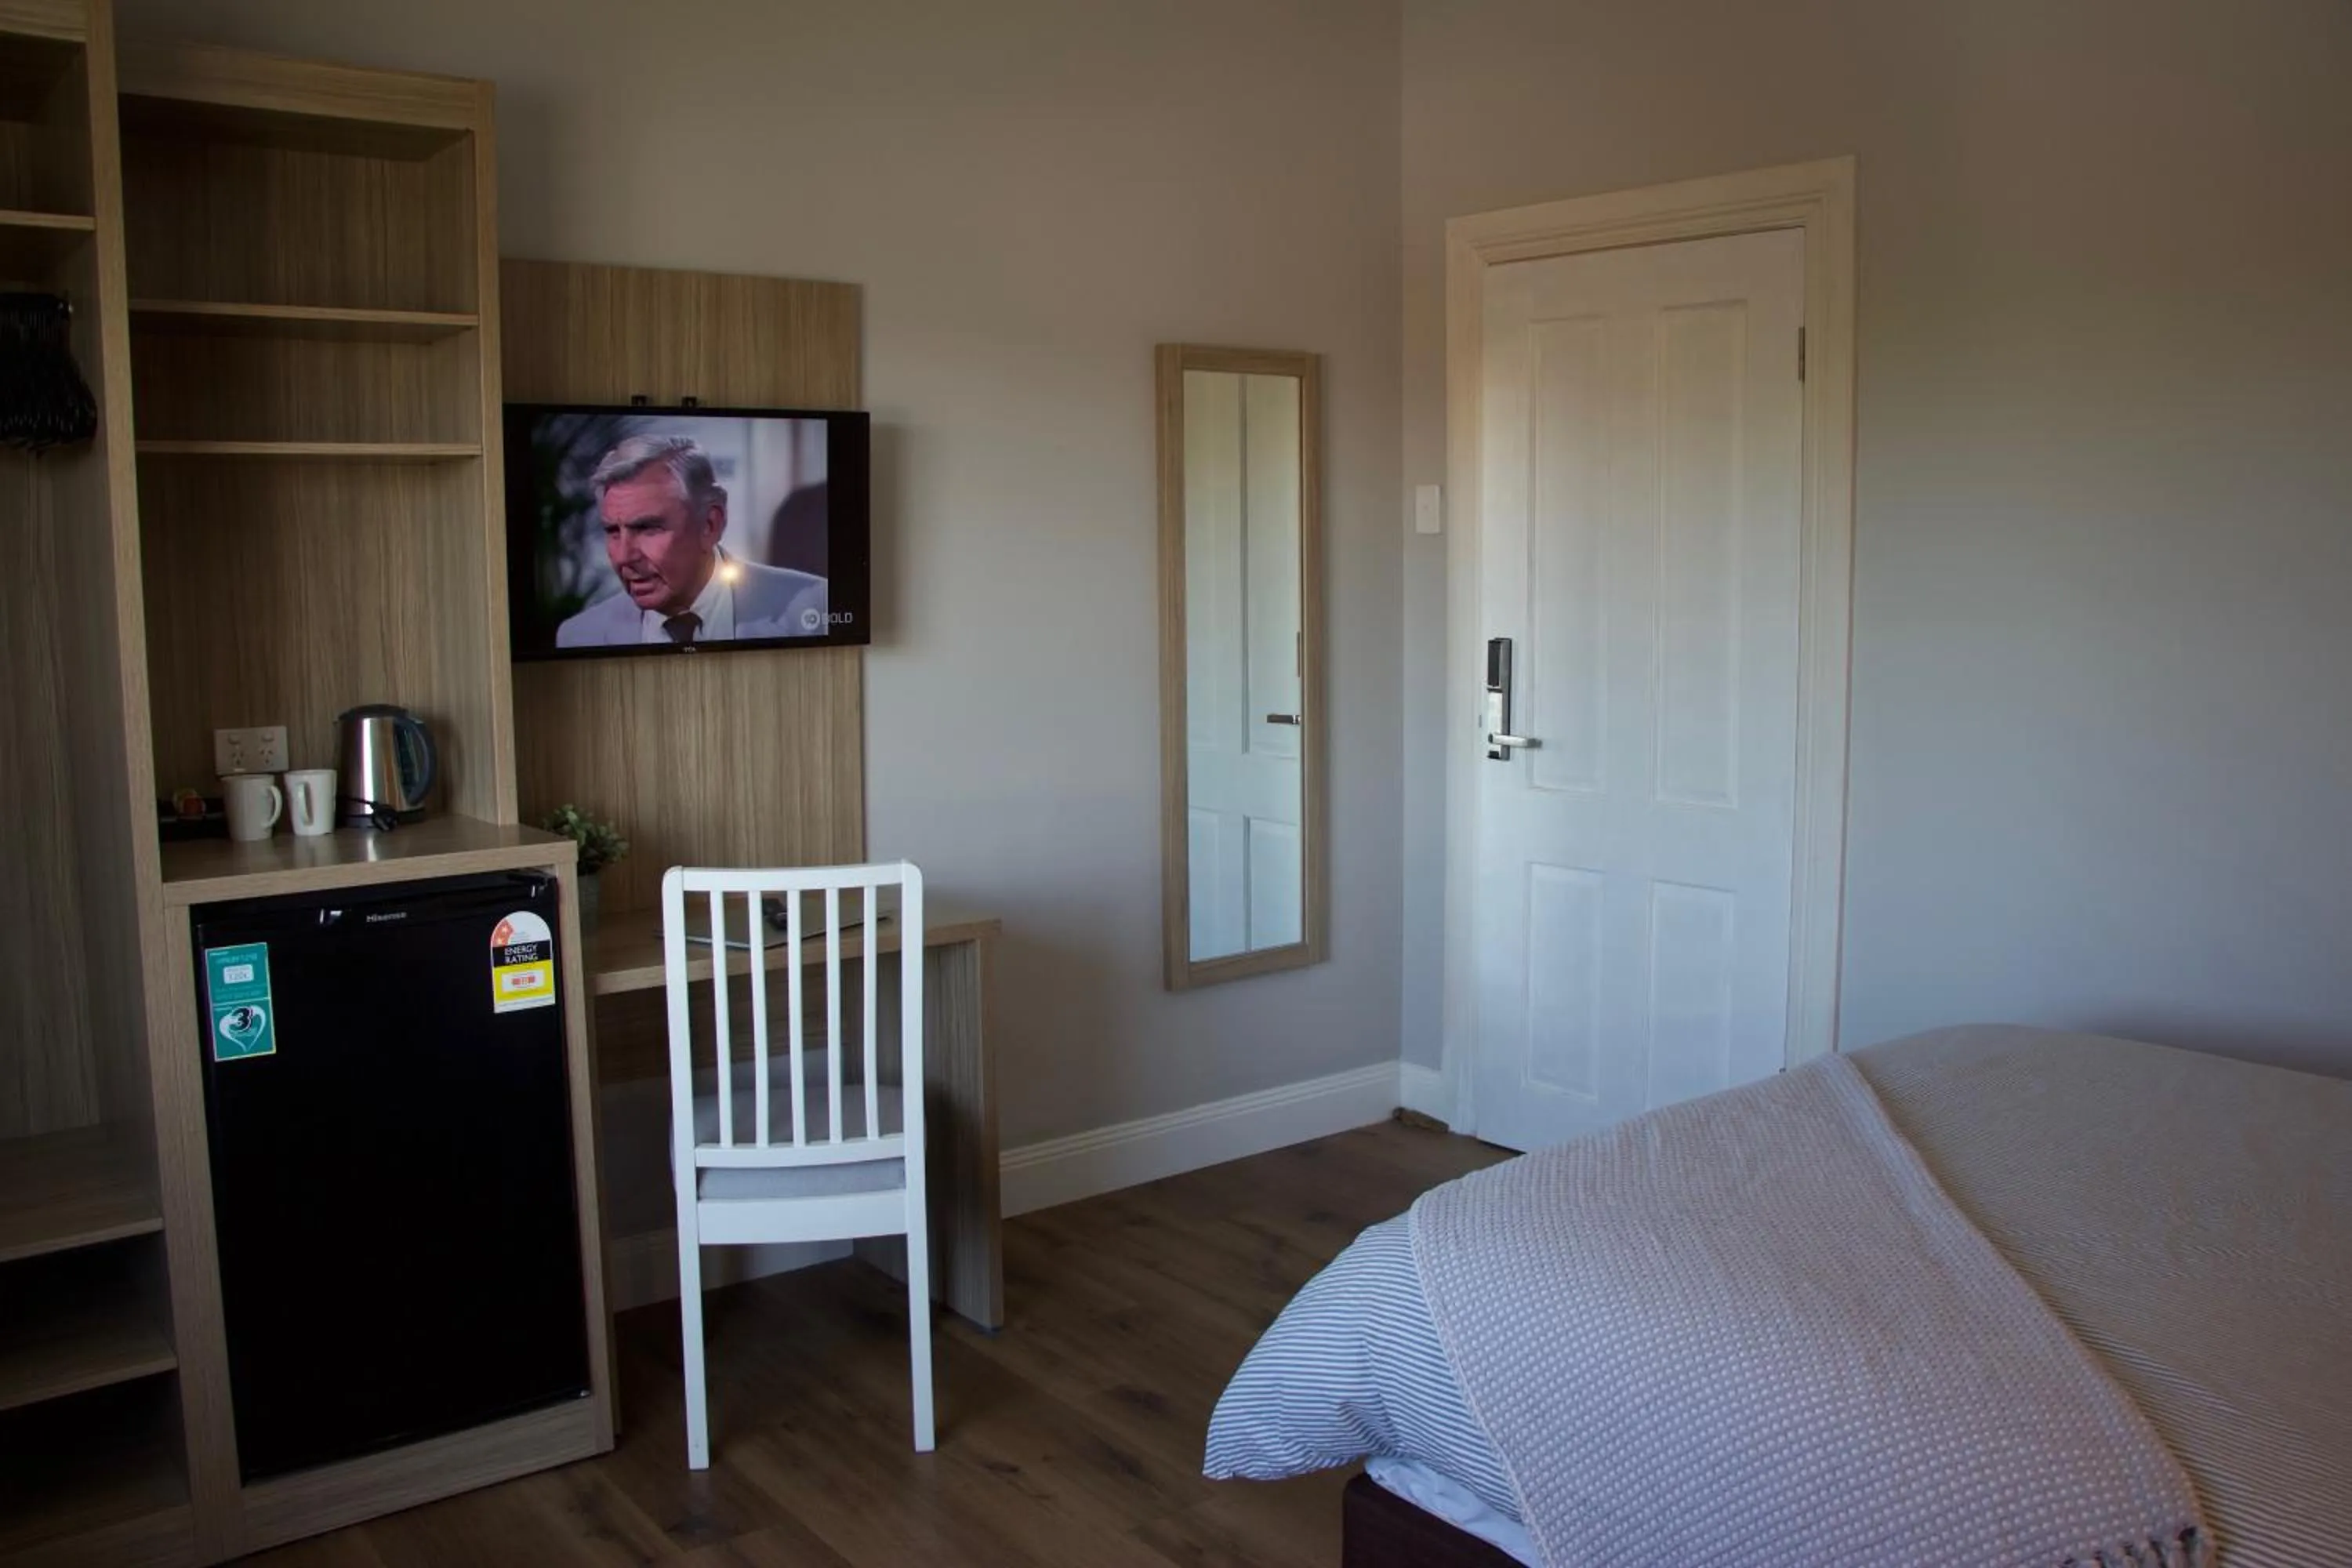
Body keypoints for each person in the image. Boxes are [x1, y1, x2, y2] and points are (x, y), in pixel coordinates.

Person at [555, 434, 827, 647]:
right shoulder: (578, 635)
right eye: (613, 531)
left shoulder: (813, 605)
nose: (624, 556)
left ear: (710, 524)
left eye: (648, 528)